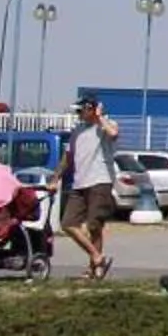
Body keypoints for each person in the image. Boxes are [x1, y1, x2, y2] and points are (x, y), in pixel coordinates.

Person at [57, 96, 122, 281]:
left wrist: (100, 117)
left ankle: (95, 270)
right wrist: (55, 179)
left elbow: (114, 134)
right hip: (79, 182)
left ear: (91, 109)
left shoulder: (105, 125)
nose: (78, 114)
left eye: (81, 110)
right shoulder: (77, 131)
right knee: (68, 223)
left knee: (94, 225)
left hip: (100, 181)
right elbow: (67, 157)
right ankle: (97, 257)